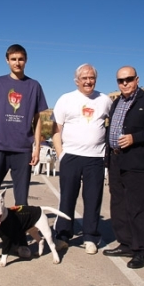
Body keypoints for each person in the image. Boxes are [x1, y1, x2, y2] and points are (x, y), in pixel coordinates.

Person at [0, 44, 48, 257]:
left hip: (22, 149)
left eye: (21, 59)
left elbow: (38, 119)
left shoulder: (34, 86)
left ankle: (19, 243)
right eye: (13, 59)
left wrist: (36, 147)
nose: (17, 62)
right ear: (7, 60)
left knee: (21, 201)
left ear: (26, 60)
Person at [103, 66, 144, 269]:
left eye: (128, 79)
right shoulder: (117, 102)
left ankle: (141, 251)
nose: (125, 83)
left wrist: (134, 138)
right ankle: (126, 243)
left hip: (136, 162)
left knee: (136, 207)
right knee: (118, 205)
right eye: (120, 80)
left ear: (136, 79)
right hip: (116, 160)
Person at [52, 63, 112, 255]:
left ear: (96, 79)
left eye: (91, 77)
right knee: (67, 197)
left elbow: (112, 124)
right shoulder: (66, 99)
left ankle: (90, 236)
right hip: (71, 156)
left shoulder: (105, 100)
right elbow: (56, 130)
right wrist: (61, 154)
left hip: (95, 158)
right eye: (84, 78)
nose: (88, 81)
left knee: (93, 198)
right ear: (77, 80)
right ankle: (62, 235)